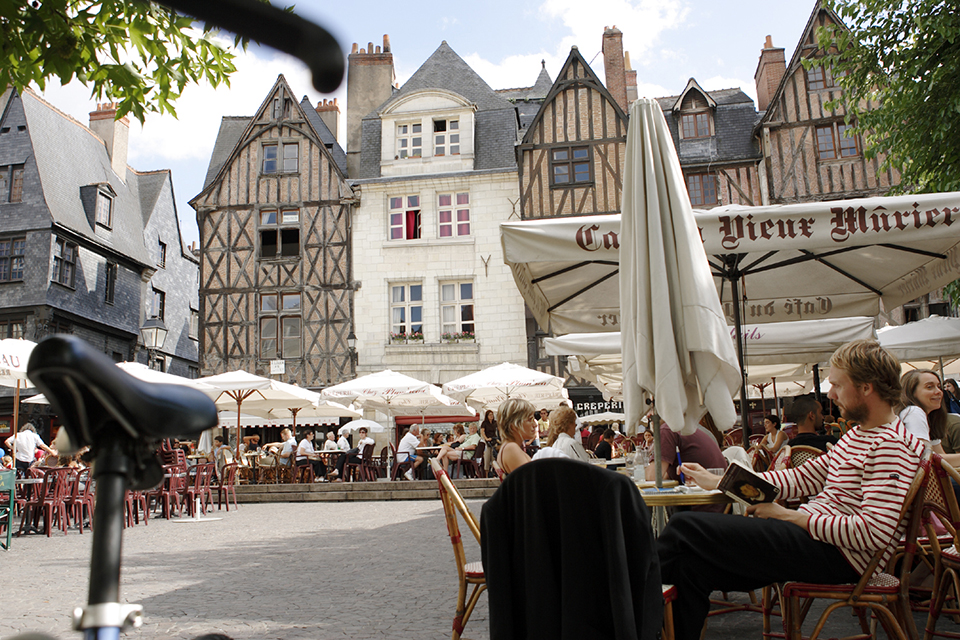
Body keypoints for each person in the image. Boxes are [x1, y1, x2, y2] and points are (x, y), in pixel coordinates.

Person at [658, 339, 925, 640]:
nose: (831, 394)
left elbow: (873, 533)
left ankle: (625, 617)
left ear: (867, 387)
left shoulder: (890, 446)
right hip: (816, 542)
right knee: (690, 567)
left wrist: (788, 516)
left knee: (683, 527)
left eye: (837, 385)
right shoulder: (859, 436)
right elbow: (797, 479)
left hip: (840, 556)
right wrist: (719, 481)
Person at [496, 398, 537, 475]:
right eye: (529, 420)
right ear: (514, 426)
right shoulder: (511, 448)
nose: (535, 425)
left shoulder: (508, 447)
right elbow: (530, 482)